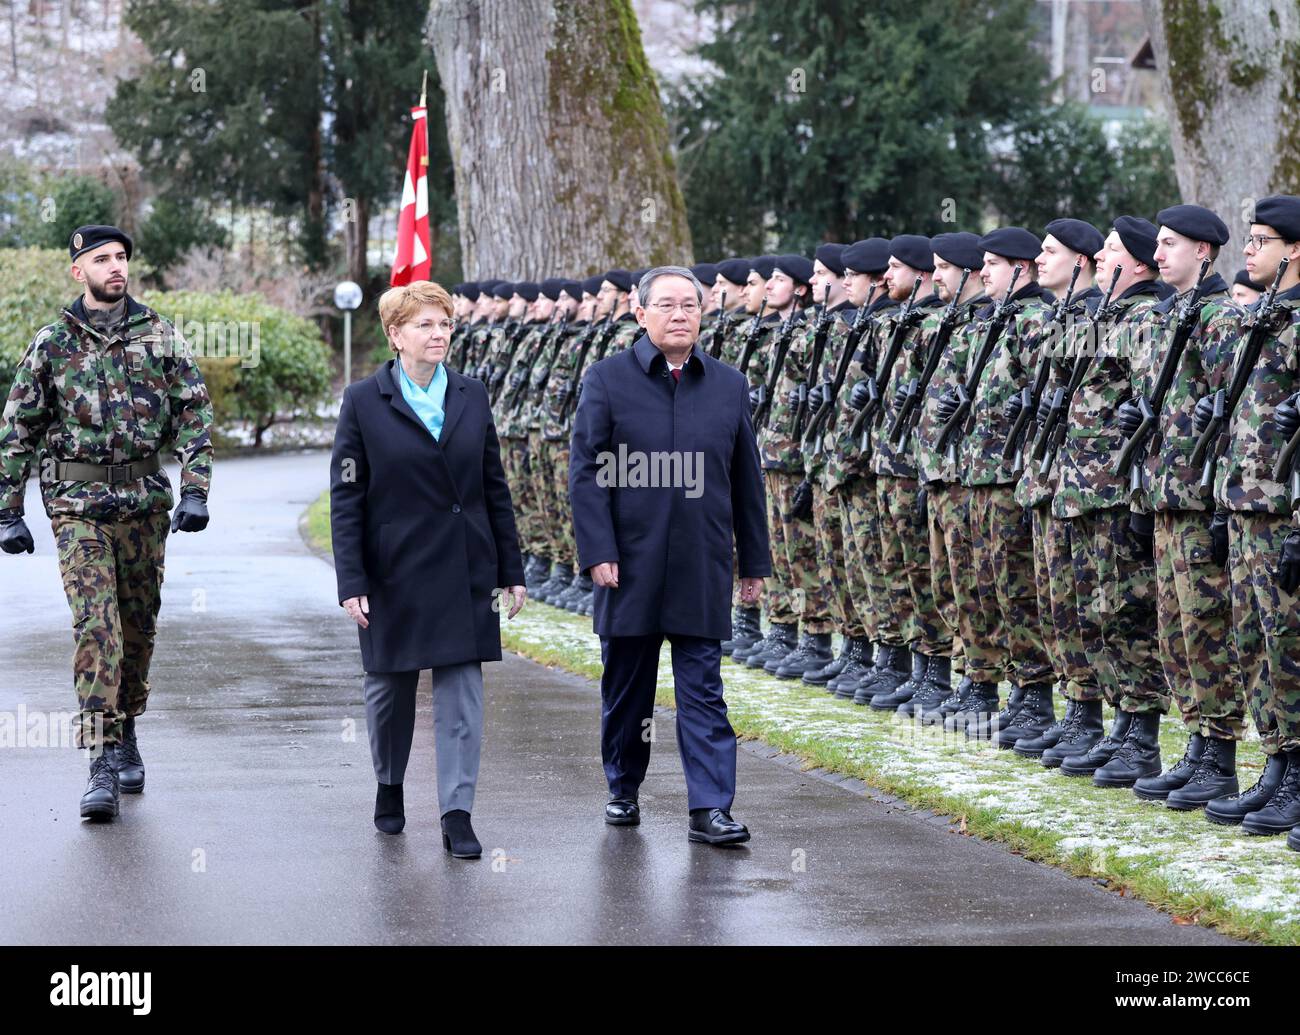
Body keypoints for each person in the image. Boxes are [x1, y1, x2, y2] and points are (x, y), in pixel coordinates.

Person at [0, 224, 214, 821]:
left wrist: (196, 492)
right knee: (98, 627)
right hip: (77, 508)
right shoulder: (52, 344)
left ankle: (126, 730)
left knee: (138, 630)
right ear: (79, 271)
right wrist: (8, 509)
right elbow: (19, 426)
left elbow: (194, 412)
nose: (116, 266)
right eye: (103, 259)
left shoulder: (160, 335)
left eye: (122, 257)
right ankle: (100, 759)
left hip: (146, 505)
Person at [569, 265, 771, 845]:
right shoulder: (607, 380)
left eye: (690, 305)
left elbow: (745, 479)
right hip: (627, 564)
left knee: (703, 688)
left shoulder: (729, 385)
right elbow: (586, 473)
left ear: (703, 315)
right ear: (640, 313)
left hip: (700, 563)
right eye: (667, 305)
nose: (680, 314)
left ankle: (710, 807)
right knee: (627, 686)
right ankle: (623, 787)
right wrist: (597, 550)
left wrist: (752, 560)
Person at [329, 279, 526, 856]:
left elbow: (494, 487)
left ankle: (457, 813)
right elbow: (346, 497)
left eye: (444, 324)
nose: (438, 334)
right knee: (389, 693)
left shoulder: (472, 394)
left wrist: (510, 569)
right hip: (393, 570)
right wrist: (352, 580)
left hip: (467, 565)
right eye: (425, 325)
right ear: (396, 334)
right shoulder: (364, 400)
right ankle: (389, 786)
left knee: (463, 695)